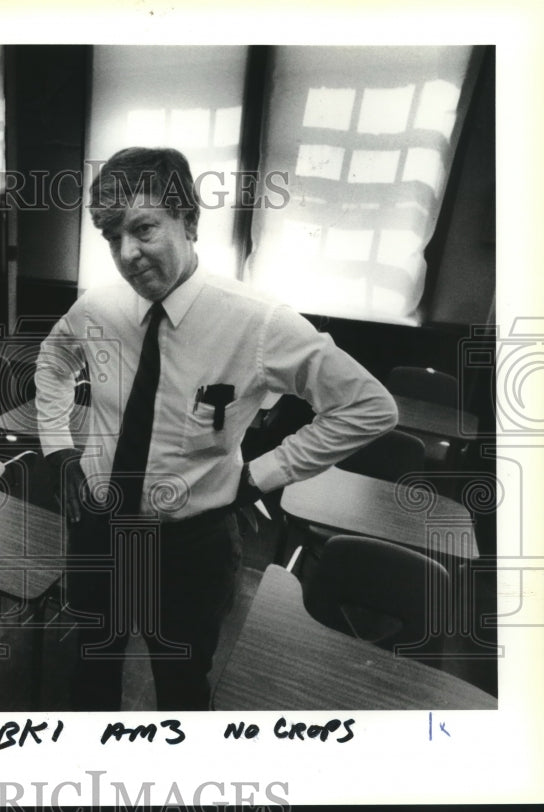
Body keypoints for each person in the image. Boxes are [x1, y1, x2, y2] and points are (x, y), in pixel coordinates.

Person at [34, 146, 398, 711]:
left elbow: (369, 407)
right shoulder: (98, 307)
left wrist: (261, 476)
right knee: (90, 669)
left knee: (181, 687)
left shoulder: (256, 322)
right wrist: (58, 450)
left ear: (190, 221)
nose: (127, 254)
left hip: (189, 547)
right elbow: (54, 361)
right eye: (111, 237)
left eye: (143, 229)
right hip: (98, 531)